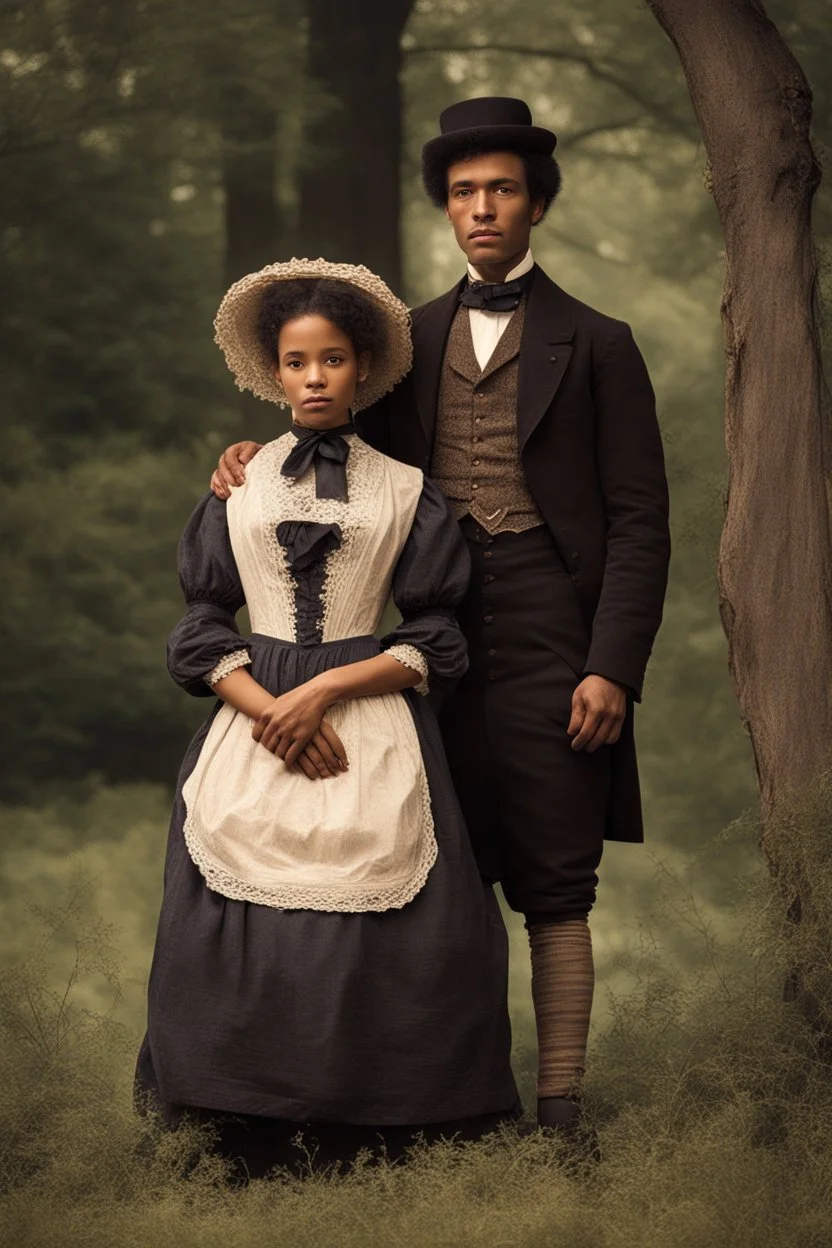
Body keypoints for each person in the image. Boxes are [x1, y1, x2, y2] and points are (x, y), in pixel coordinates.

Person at [212, 98, 671, 1135]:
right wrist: (243, 457)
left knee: (556, 878)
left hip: (557, 633)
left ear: (535, 203)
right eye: (464, 192)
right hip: (424, 637)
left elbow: (641, 524)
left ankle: (560, 1111)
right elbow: (323, 445)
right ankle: (432, 1104)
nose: (482, 209)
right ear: (446, 208)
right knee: (421, 864)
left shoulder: (600, 345)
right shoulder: (401, 342)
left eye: (501, 189)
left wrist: (613, 667)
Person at [136, 258, 520, 1178]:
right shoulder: (240, 484)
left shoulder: (405, 488)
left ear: (363, 369)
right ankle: (236, 1133)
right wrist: (272, 706)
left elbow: (437, 631)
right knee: (229, 905)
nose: (315, 377)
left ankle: (382, 1134)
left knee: (409, 921)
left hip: (370, 711)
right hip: (250, 713)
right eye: (298, 362)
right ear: (275, 372)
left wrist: (324, 692)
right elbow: (199, 623)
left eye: (334, 360)